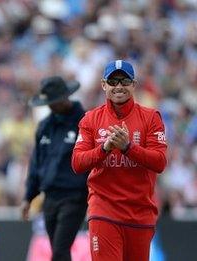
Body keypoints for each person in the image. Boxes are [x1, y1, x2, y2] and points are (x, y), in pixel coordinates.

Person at [71, 60, 167, 261]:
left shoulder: (151, 118)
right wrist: (105, 148)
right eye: (113, 81)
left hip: (140, 213)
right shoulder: (90, 119)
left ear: (134, 84)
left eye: (124, 81)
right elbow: (77, 163)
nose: (119, 86)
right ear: (103, 85)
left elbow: (160, 162)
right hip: (103, 210)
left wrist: (128, 148)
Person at [21, 76, 88, 261]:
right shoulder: (45, 126)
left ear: (66, 97)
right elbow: (36, 163)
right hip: (49, 197)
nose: (51, 106)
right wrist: (28, 197)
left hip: (75, 196)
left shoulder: (85, 122)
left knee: (60, 249)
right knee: (57, 251)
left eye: (54, 102)